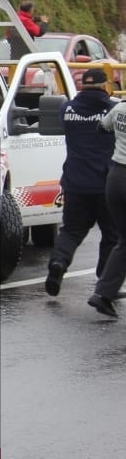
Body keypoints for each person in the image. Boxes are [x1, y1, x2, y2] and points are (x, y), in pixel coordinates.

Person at [45, 68, 118, 298]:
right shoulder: (113, 110)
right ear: (104, 86)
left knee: (71, 231)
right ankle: (104, 281)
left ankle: (58, 263)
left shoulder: (66, 109)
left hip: (75, 182)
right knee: (112, 234)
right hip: (105, 183)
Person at [88, 88, 126, 317]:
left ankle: (102, 294)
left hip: (115, 179)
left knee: (124, 242)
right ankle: (104, 292)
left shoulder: (119, 108)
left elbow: (101, 127)